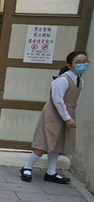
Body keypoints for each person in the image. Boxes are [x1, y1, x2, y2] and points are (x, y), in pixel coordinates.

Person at [21, 50, 88, 184]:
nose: (82, 65)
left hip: (67, 113)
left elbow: (77, 101)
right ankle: (27, 167)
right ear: (69, 65)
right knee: (45, 142)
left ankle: (51, 172)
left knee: (58, 143)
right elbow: (57, 100)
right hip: (55, 113)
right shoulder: (63, 79)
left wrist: (73, 115)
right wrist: (67, 117)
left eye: (85, 62)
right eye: (78, 62)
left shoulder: (80, 80)